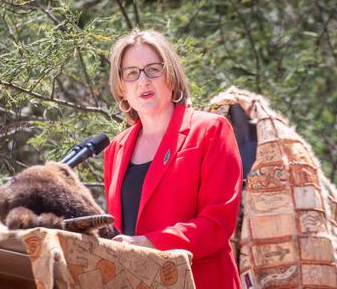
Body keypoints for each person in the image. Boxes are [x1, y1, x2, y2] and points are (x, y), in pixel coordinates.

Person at [103, 29, 243, 289]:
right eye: (131, 73)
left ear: (171, 76)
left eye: (153, 69)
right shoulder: (115, 149)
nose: (143, 81)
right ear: (121, 86)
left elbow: (217, 223)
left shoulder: (210, 130)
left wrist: (151, 243)